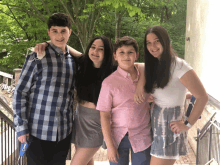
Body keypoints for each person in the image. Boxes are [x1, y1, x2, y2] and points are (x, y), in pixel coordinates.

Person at [34, 35, 115, 165]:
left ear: (107, 52)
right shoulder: (84, 62)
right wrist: (45, 43)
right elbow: (63, 44)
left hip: (98, 122)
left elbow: (135, 66)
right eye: (93, 47)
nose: (95, 51)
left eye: (101, 49)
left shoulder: (113, 70)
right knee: (87, 162)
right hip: (80, 118)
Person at [135, 26, 208, 165]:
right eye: (148, 43)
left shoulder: (178, 65)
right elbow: (133, 65)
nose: (153, 46)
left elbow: (202, 97)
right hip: (156, 122)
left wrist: (187, 124)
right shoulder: (155, 64)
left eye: (156, 41)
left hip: (169, 124)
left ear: (165, 41)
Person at [13, 13, 79, 165]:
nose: (59, 35)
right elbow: (20, 93)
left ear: (70, 32)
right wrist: (21, 127)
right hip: (37, 133)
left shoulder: (74, 61)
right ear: (49, 32)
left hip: (63, 134)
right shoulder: (36, 56)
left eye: (63, 31)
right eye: (54, 31)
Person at [96, 36, 152, 165]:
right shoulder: (109, 83)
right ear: (115, 56)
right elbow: (104, 116)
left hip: (142, 136)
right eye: (121, 52)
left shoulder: (145, 79)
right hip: (117, 137)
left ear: (136, 55)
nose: (126, 56)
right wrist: (110, 147)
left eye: (130, 52)